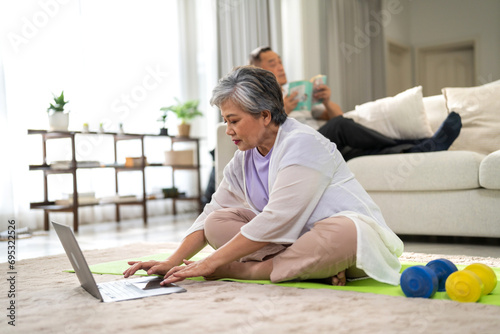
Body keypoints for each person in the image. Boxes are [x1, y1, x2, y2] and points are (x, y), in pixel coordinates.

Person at [124, 65, 404, 287]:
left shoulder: (303, 143)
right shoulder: (243, 157)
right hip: (293, 243)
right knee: (215, 222)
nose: (228, 130)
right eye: (225, 121)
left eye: (234, 121)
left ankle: (248, 272)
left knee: (345, 233)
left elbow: (277, 218)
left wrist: (212, 263)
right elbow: (214, 209)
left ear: (265, 115)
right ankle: (305, 268)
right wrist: (173, 260)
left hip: (345, 242)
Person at [249, 46, 462, 161]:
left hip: (321, 145)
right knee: (341, 127)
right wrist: (285, 108)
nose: (280, 66)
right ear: (258, 69)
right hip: (299, 146)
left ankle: (418, 149)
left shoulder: (296, 93)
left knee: (355, 152)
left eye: (280, 61)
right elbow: (265, 133)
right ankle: (421, 142)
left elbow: (337, 116)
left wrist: (326, 101)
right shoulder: (259, 98)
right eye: (272, 63)